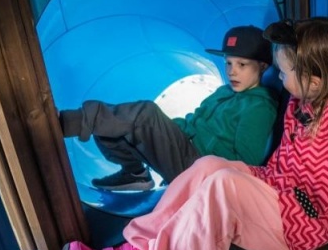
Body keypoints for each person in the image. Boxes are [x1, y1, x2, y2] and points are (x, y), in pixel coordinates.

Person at [61, 17, 328, 250]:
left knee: (224, 183)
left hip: (307, 218)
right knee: (208, 165)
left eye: (284, 73)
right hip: (279, 189)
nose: (279, 79)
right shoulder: (300, 101)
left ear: (314, 77)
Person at [59, 25, 278, 191]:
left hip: (201, 170)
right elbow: (194, 120)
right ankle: (135, 175)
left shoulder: (259, 107)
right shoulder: (225, 91)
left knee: (146, 112)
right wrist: (165, 131)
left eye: (242, 65)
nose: (232, 72)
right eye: (228, 63)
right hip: (184, 150)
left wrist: (201, 158)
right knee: (118, 125)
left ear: (262, 67)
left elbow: (246, 164)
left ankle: (70, 122)